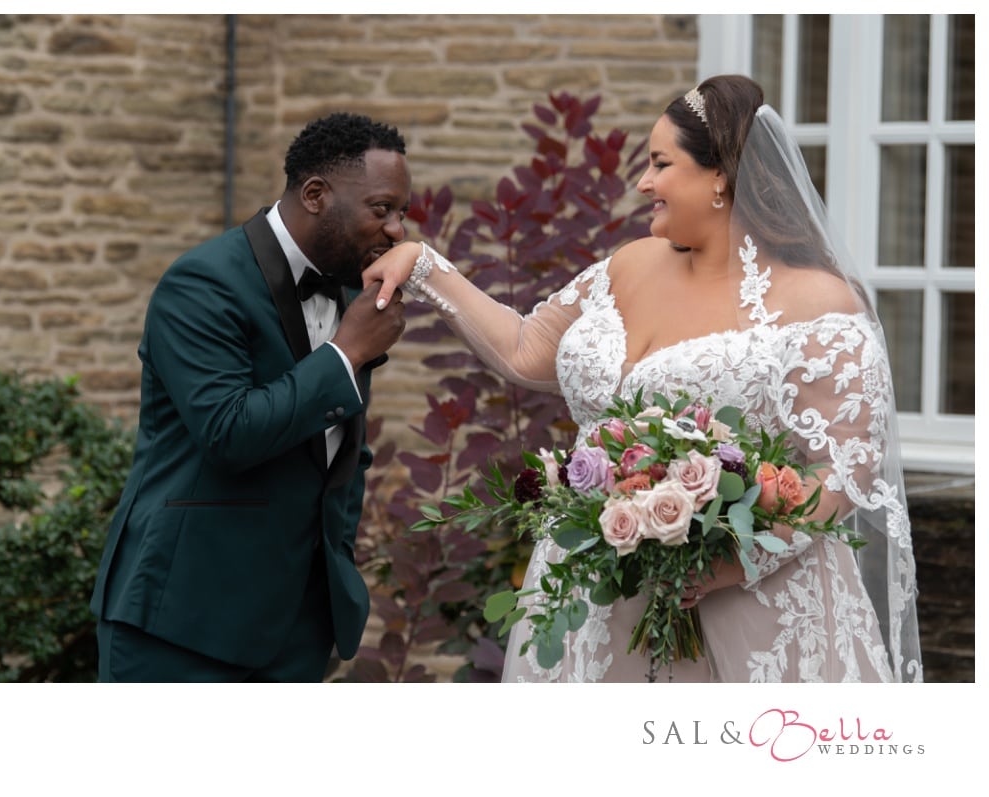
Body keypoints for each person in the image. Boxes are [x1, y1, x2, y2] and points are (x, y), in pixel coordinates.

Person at [361, 74, 921, 682]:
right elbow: (524, 348)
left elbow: (843, 473)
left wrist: (735, 563)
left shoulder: (820, 301)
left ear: (719, 176)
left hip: (750, 610)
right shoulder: (629, 264)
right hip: (596, 598)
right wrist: (423, 268)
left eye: (659, 164)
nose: (643, 183)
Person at [90, 113, 409, 682]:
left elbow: (344, 457)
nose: (397, 230)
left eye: (402, 213)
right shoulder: (201, 283)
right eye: (382, 209)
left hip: (298, 631)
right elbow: (230, 433)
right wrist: (346, 354)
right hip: (180, 624)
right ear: (316, 195)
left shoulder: (347, 294)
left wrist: (334, 589)